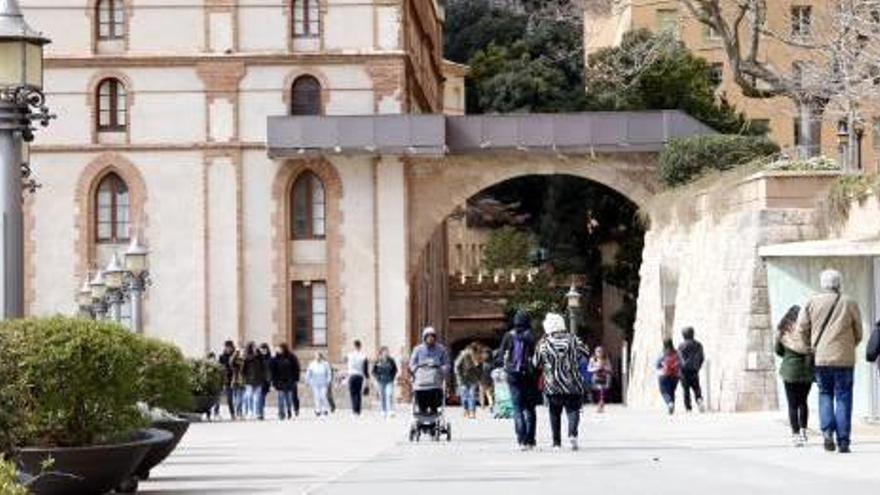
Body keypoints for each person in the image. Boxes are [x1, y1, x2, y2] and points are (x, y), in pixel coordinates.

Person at [798, 269, 863, 454]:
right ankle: (843, 441)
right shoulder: (850, 302)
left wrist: (808, 346)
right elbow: (858, 331)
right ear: (839, 283)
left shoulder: (812, 302)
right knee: (843, 397)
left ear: (822, 284)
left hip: (821, 358)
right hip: (844, 359)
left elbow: (802, 327)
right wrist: (850, 345)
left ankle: (827, 434)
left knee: (825, 394)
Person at [534, 312, 589, 450]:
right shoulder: (573, 339)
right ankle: (572, 434)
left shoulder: (544, 343)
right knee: (573, 409)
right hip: (572, 381)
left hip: (552, 383)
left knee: (554, 413)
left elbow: (536, 362)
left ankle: (556, 442)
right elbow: (586, 352)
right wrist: (574, 359)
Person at [499, 310, 539, 450]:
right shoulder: (531, 336)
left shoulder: (508, 335)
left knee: (517, 408)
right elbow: (537, 357)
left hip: (513, 375)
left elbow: (500, 355)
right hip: (528, 376)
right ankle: (530, 440)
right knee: (530, 409)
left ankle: (521, 439)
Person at [775, 305, 813, 447]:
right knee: (803, 401)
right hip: (806, 370)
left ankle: (795, 434)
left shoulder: (783, 332)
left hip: (789, 371)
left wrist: (788, 356)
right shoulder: (807, 331)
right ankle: (803, 431)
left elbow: (778, 350)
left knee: (792, 404)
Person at [408, 327, 450, 416]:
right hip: (421, 380)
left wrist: (441, 369)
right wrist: (416, 370)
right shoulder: (418, 349)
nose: (430, 338)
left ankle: (434, 409)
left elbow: (446, 364)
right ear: (424, 337)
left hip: (435, 380)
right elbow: (412, 363)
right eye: (428, 336)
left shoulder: (441, 349)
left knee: (436, 393)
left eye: (432, 336)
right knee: (419, 394)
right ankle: (422, 409)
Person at [677, 327, 705, 413]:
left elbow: (679, 358)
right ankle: (699, 399)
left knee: (686, 390)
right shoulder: (699, 345)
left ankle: (688, 407)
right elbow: (702, 358)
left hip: (684, 371)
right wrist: (698, 367)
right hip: (694, 370)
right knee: (696, 387)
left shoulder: (681, 346)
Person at [271, 343, 301, 420]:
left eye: (279, 348)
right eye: (277, 349)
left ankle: (289, 411)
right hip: (279, 382)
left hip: (289, 381)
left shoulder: (291, 357)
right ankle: (281, 413)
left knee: (288, 399)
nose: (278, 350)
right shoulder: (275, 358)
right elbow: (272, 370)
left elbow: (296, 368)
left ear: (283, 349)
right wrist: (274, 382)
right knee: (280, 398)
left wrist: (295, 379)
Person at [455, 342, 483, 419]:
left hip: (473, 379)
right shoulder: (463, 355)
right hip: (463, 379)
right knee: (464, 396)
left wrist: (477, 364)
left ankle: (472, 412)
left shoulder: (477, 357)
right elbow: (457, 365)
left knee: (472, 395)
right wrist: (459, 377)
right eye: (473, 351)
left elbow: (480, 370)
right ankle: (465, 410)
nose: (474, 353)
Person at [372, 346, 398, 418]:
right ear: (381, 353)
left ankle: (390, 411)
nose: (386, 353)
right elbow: (373, 371)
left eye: (387, 351)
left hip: (389, 380)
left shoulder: (391, 360)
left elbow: (395, 369)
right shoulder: (378, 361)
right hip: (380, 381)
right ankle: (383, 410)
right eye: (385, 351)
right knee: (382, 396)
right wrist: (377, 377)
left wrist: (392, 377)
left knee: (389, 394)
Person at [656, 338, 680, 415]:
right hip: (675, 375)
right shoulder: (676, 352)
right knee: (672, 391)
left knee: (664, 391)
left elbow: (657, 364)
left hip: (664, 375)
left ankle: (669, 403)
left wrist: (661, 367)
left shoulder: (663, 353)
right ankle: (672, 407)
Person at [242, 342, 265, 420]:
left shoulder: (259, 357)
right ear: (250, 348)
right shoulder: (247, 358)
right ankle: (249, 411)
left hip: (258, 380)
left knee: (257, 398)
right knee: (249, 396)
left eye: (256, 346)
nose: (255, 348)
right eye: (254, 347)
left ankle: (256, 412)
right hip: (249, 380)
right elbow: (243, 369)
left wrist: (263, 377)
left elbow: (263, 367)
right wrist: (245, 378)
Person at [345, 340, 369, 416]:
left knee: (353, 394)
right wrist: (367, 380)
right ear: (360, 346)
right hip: (360, 376)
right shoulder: (364, 356)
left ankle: (354, 411)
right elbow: (365, 370)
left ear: (354, 346)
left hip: (351, 375)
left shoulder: (349, 355)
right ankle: (358, 411)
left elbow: (344, 360)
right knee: (358, 393)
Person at [306, 352, 333, 416]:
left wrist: (328, 380)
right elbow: (308, 373)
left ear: (321, 357)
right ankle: (318, 410)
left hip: (323, 383)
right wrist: (307, 381)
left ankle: (325, 409)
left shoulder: (325, 364)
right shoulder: (312, 364)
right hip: (315, 383)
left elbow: (329, 373)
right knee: (317, 396)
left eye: (319, 356)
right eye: (316, 356)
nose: (318, 358)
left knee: (323, 396)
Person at [588, 346, 612, 413]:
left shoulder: (606, 359)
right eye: (598, 351)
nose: (599, 353)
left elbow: (610, 368)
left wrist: (604, 368)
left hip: (603, 377)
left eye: (600, 351)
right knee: (598, 392)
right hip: (596, 377)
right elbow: (589, 369)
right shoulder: (592, 359)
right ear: (595, 352)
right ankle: (600, 405)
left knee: (602, 391)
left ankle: (600, 405)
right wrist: (596, 368)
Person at [218, 341, 236, 420]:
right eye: (226, 347)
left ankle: (232, 414)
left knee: (230, 398)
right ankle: (216, 412)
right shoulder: (222, 356)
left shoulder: (234, 356)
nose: (228, 349)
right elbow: (220, 367)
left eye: (229, 347)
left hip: (231, 379)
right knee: (218, 398)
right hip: (223, 379)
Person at [256, 343, 273, 420]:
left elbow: (272, 370)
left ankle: (260, 412)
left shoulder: (270, 358)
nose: (263, 351)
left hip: (267, 381)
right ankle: (260, 413)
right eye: (262, 349)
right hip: (259, 380)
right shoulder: (257, 358)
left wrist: (271, 381)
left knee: (262, 397)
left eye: (265, 349)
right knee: (260, 397)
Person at [230, 346, 245, 419]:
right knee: (236, 398)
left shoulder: (243, 360)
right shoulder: (235, 360)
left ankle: (239, 412)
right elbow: (231, 362)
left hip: (242, 381)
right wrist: (236, 353)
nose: (242, 353)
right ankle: (237, 412)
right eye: (240, 352)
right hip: (236, 380)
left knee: (240, 398)